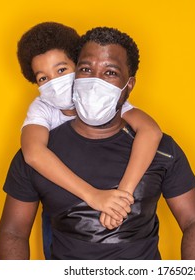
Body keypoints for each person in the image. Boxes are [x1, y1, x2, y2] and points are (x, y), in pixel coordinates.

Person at [0, 26, 195, 259]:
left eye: (110, 73)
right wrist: (93, 196)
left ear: (128, 85)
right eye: (87, 69)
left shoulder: (159, 147)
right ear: (77, 74)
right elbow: (14, 231)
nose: (95, 83)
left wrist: (124, 193)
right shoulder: (41, 132)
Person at [15, 22, 163, 258]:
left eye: (62, 70)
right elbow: (33, 153)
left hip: (113, 200)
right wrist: (93, 196)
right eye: (43, 78)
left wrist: (123, 195)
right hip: (65, 204)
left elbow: (151, 131)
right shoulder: (42, 108)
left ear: (79, 65)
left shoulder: (103, 97)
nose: (54, 82)